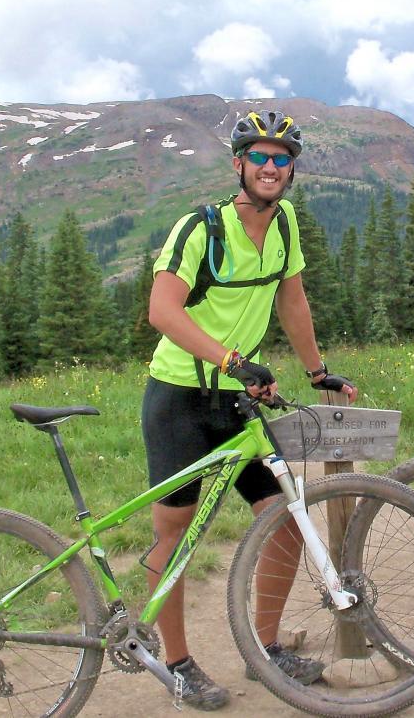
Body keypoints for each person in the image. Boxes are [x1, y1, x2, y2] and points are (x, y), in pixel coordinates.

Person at [143, 109, 357, 710]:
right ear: (239, 164)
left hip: (238, 400)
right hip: (180, 398)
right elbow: (163, 311)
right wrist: (232, 359)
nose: (270, 167)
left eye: (281, 158)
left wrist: (317, 371)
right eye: (259, 157)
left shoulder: (285, 222)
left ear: (292, 169)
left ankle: (265, 649)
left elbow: (292, 298)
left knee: (285, 521)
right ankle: (178, 662)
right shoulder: (199, 229)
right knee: (175, 537)